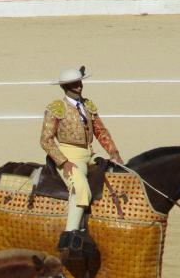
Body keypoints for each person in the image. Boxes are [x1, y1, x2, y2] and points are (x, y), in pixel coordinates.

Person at [39, 65, 124, 251]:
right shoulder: (56, 108)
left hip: (89, 154)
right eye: (73, 84)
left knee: (118, 176)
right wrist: (64, 162)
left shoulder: (88, 105)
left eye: (79, 83)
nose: (79, 87)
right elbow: (46, 140)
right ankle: (69, 237)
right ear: (65, 87)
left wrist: (114, 153)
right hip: (70, 154)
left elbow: (100, 131)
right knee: (81, 189)